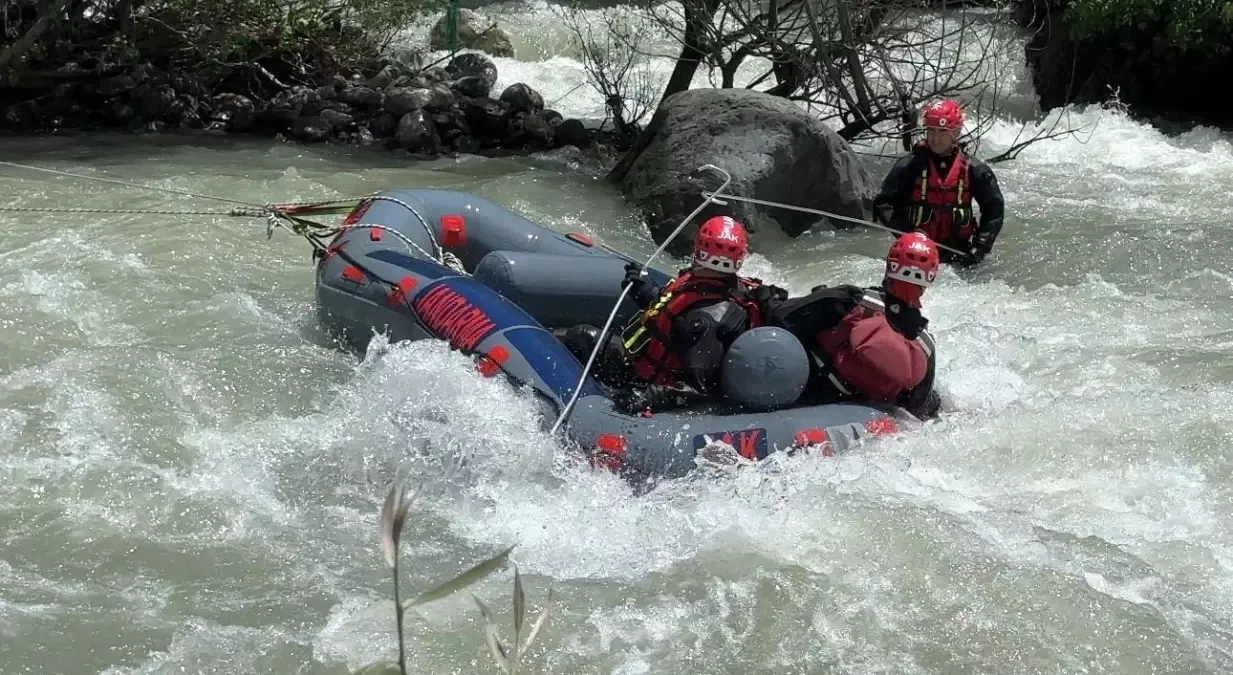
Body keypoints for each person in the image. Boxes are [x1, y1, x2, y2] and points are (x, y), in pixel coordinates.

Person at [556, 215, 786, 414]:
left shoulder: (705, 320)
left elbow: (697, 390)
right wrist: (645, 292)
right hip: (643, 360)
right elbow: (673, 311)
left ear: (698, 249)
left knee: (582, 337)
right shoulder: (719, 285)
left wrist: (645, 396)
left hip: (647, 381)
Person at [763, 231, 942, 419]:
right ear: (930, 278)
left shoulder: (849, 301)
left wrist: (768, 298)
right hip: (867, 420)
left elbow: (780, 317)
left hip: (811, 399)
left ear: (890, 265)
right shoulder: (926, 346)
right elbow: (919, 409)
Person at [871, 98, 1005, 267]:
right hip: (917, 250)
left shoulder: (975, 169)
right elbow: (884, 204)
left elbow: (994, 209)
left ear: (955, 132)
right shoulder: (910, 165)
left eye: (941, 131)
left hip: (960, 252)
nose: (934, 138)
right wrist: (909, 233)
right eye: (931, 130)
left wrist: (981, 246)